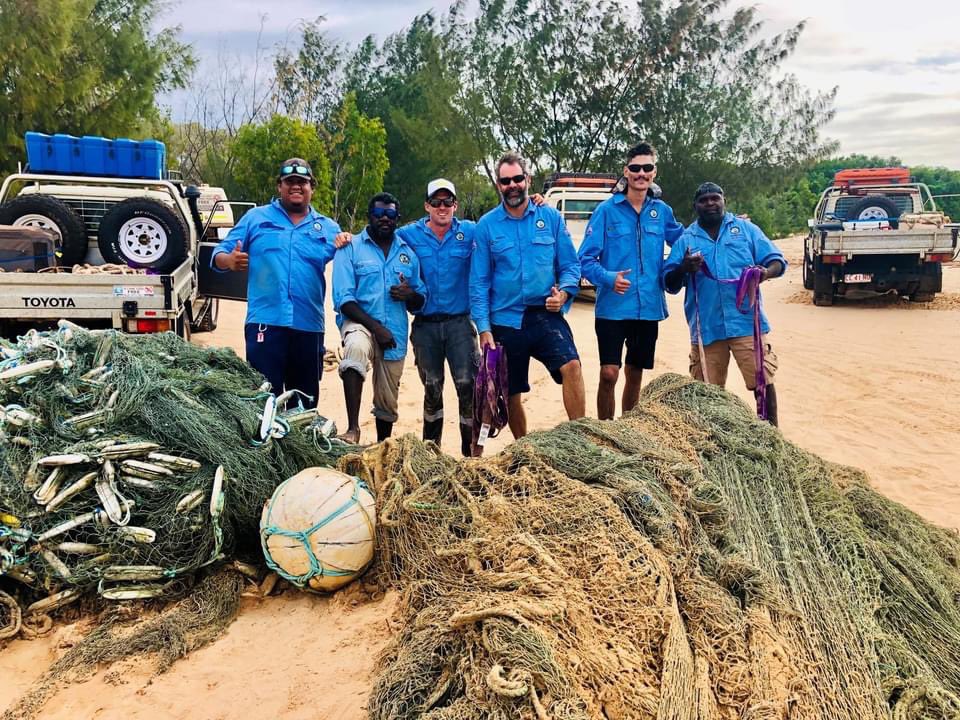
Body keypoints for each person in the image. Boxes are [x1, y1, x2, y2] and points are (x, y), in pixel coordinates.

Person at [470, 151, 585, 439]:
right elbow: (479, 283)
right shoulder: (486, 226)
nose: (512, 185)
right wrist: (484, 330)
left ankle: (580, 438)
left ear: (527, 179)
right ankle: (525, 449)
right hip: (505, 321)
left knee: (572, 366)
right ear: (498, 185)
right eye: (505, 181)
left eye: (517, 179)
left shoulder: (550, 217)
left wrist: (566, 293)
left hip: (545, 314)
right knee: (511, 392)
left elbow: (571, 266)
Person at [211, 158, 340, 408]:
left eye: (302, 182)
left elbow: (350, 266)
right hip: (265, 322)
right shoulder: (255, 218)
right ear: (279, 186)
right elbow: (219, 253)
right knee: (263, 400)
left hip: (309, 325)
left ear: (312, 187)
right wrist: (230, 260)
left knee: (303, 403)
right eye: (289, 182)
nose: (296, 187)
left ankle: (299, 447)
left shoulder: (328, 228)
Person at [662, 182, 786, 425]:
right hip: (707, 327)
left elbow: (778, 261)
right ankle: (713, 444)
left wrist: (765, 272)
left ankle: (773, 436)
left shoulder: (746, 230)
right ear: (695, 206)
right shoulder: (687, 239)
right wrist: (683, 268)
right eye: (704, 200)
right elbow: (669, 283)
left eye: (714, 198)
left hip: (746, 324)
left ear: (724, 200)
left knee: (762, 384)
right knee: (708, 393)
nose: (710, 203)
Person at [577, 142, 683, 420]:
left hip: (648, 307)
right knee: (609, 372)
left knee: (635, 372)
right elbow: (585, 259)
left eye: (647, 168)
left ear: (654, 173)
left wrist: (671, 268)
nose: (641, 173)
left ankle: (628, 432)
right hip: (613, 308)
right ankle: (605, 430)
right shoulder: (606, 211)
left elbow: (684, 242)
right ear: (626, 171)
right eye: (635, 168)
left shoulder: (662, 212)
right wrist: (608, 278)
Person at [332, 192, 427, 444]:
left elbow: (421, 299)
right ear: (369, 216)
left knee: (388, 399)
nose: (384, 219)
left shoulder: (408, 254)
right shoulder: (349, 248)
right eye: (378, 214)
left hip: (394, 331)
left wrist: (410, 294)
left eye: (391, 214)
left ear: (398, 218)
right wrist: (376, 329)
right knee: (355, 349)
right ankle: (353, 429)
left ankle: (382, 445)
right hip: (359, 323)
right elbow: (344, 300)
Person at [396, 179, 480, 456]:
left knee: (468, 387)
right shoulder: (409, 234)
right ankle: (432, 454)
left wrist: (536, 203)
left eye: (448, 202)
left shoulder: (470, 231)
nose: (442, 207)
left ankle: (470, 454)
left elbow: (502, 226)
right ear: (426, 205)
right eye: (436, 202)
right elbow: (377, 238)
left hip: (460, 324)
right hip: (425, 326)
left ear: (455, 205)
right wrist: (347, 238)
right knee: (432, 389)